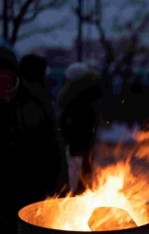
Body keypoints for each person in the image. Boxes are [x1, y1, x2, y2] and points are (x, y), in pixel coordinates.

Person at [0, 47, 69, 233]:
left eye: (6, 77)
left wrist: (61, 189)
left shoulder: (37, 101)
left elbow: (55, 147)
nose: (2, 84)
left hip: (32, 186)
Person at [57, 62, 103, 195]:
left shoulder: (77, 101)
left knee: (78, 175)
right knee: (85, 173)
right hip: (83, 145)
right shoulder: (90, 97)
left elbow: (73, 125)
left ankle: (78, 196)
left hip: (78, 146)